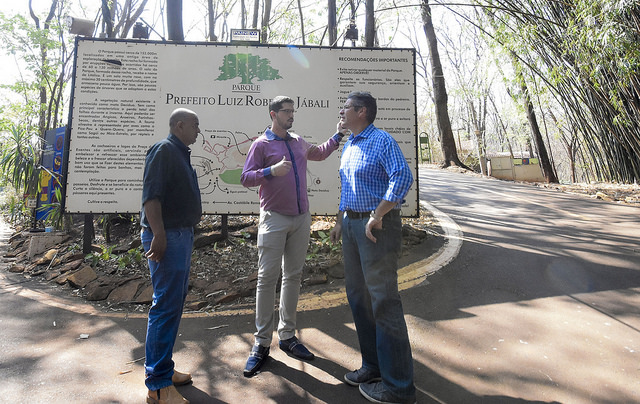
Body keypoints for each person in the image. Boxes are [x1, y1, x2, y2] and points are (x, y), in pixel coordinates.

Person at [240, 95, 345, 377]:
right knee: (266, 280)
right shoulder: (261, 145)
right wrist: (269, 171)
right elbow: (245, 177)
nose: (291, 116)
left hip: (301, 219)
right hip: (273, 218)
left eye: (292, 111)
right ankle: (261, 343)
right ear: (272, 114)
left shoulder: (298, 141)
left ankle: (287, 336)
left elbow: (320, 153)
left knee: (293, 276)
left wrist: (337, 135)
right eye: (286, 111)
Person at [329, 91, 416, 404]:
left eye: (346, 107)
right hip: (353, 227)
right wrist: (341, 220)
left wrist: (378, 214)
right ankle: (373, 366)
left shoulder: (382, 140)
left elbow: (402, 177)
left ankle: (399, 389)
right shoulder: (350, 144)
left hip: (377, 228)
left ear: (361, 111)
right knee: (359, 299)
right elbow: (348, 186)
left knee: (383, 302)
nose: (341, 111)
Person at [141, 108, 202, 404]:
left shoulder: (180, 152)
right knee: (165, 306)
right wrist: (160, 235)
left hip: (181, 235)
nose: (198, 131)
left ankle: (164, 368)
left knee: (173, 304)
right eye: (194, 125)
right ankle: (158, 385)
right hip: (168, 237)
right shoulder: (163, 150)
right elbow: (151, 196)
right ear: (179, 125)